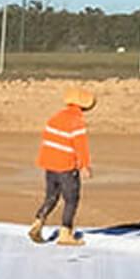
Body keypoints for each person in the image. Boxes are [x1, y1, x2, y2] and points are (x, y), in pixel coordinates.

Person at [30, 86, 95, 246]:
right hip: (66, 166)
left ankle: (38, 221)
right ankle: (65, 233)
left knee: (51, 196)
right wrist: (85, 165)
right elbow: (80, 146)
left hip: (49, 164)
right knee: (71, 199)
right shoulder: (77, 122)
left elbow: (47, 139)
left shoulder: (55, 117)